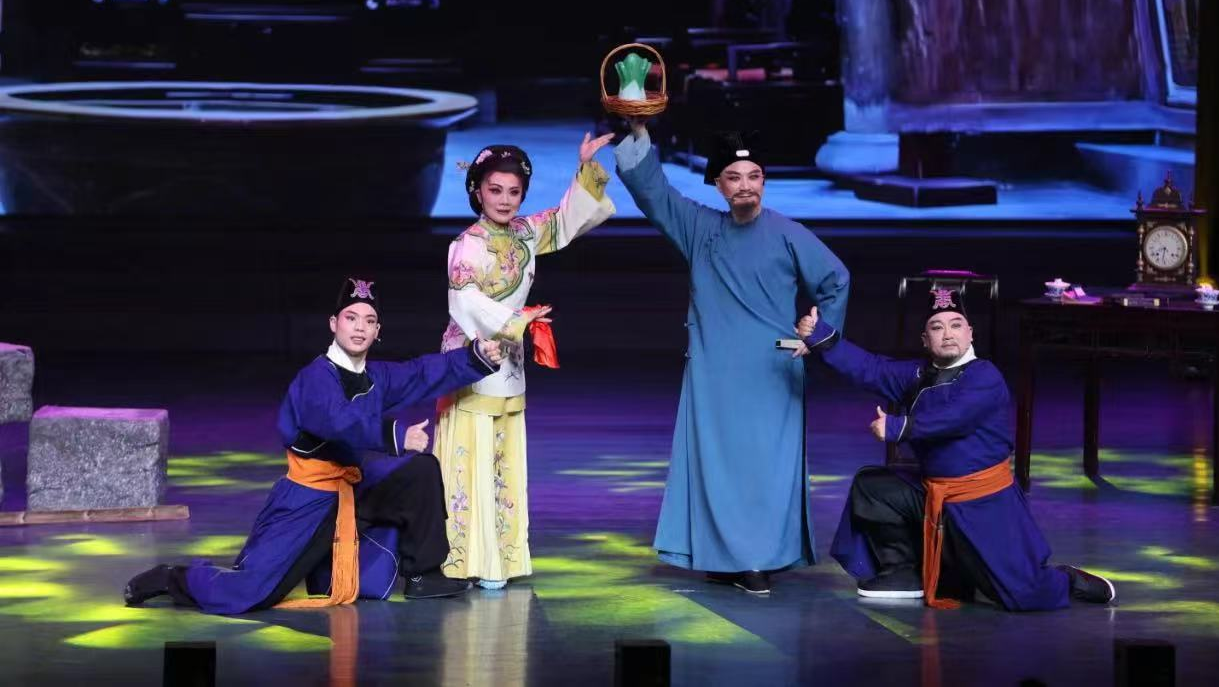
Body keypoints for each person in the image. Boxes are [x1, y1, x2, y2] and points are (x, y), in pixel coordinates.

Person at [123, 277, 505, 614]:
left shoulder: (376, 375)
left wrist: (476, 357)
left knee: (419, 470)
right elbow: (336, 420)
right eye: (351, 318)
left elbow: (422, 373)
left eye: (369, 320)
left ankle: (424, 574)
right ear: (333, 324)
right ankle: (173, 577)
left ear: (377, 331)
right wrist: (396, 435)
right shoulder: (315, 378)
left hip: (354, 486)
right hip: (309, 499)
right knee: (249, 592)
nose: (359, 327)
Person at [613, 121, 849, 595]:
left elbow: (835, 279)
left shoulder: (787, 233)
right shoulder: (700, 227)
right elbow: (654, 194)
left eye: (754, 176)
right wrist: (637, 132)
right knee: (716, 466)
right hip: (714, 371)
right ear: (718, 185)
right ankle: (722, 556)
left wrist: (817, 335)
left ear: (764, 181)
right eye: (734, 177)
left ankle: (756, 558)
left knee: (764, 467)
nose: (746, 185)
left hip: (772, 371)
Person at [795, 288, 1116, 609]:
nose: (947, 334)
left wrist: (897, 427)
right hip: (935, 492)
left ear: (970, 333)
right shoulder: (919, 374)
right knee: (873, 487)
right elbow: (871, 368)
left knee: (1023, 595)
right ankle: (906, 571)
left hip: (984, 504)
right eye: (937, 327)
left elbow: (953, 418)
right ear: (925, 339)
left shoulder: (985, 376)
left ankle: (1068, 579)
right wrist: (823, 338)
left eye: (956, 325)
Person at [436, 134, 616, 589]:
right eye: (495, 190)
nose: (504, 200)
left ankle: (502, 558)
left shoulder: (525, 233)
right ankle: (468, 559)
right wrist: (516, 319)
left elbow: (567, 219)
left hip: (510, 358)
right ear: (477, 190)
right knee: (471, 459)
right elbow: (464, 300)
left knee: (504, 459)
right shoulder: (466, 244)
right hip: (471, 359)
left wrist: (586, 169)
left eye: (513, 192)